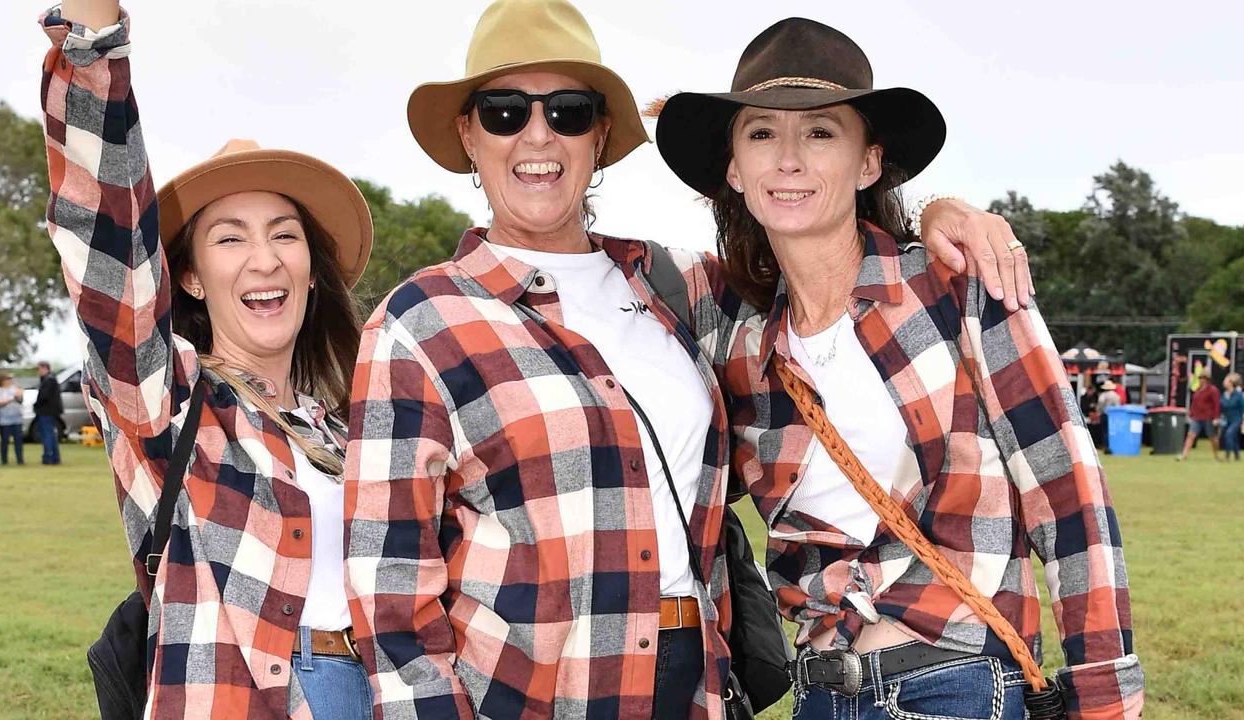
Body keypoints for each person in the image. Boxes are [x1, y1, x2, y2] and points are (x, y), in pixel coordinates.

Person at [344, 2, 1031, 717]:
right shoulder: (419, 322)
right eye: (506, 111)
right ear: (469, 134)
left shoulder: (686, 289)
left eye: (570, 111)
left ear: (601, 132)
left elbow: (816, 247)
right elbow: (389, 583)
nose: (538, 135)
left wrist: (937, 214)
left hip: (695, 682)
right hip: (529, 692)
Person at [655, 17, 1143, 720]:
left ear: (868, 163)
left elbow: (1070, 502)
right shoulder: (736, 339)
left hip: (957, 688)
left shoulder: (958, 288)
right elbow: (592, 268)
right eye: (761, 132)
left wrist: (1105, 694)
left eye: (821, 132)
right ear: (734, 168)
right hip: (818, 692)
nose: (788, 158)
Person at [40, 1, 375, 717]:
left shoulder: (346, 429)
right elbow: (109, 244)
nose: (264, 259)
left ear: (312, 270)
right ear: (187, 275)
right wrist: (95, 49)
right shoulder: (169, 396)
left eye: (285, 235)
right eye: (229, 238)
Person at [1180, 367, 1221, 461]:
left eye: (1202, 378)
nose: (1201, 380)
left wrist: (1216, 417)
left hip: (1208, 417)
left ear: (1207, 379)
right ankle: (1184, 455)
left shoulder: (1213, 390)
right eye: (1200, 378)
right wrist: (1191, 414)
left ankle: (1216, 455)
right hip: (1197, 417)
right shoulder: (1198, 390)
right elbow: (1194, 403)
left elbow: (1217, 404)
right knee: (1191, 435)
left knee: (1212, 437)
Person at [0, 373, 26, 466]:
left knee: (18, 441)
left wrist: (18, 395)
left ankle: (20, 460)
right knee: (4, 441)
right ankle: (4, 460)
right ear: (2, 380)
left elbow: (20, 397)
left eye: (10, 379)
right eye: (7, 379)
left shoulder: (14, 388)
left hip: (17, 418)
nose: (9, 381)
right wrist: (11, 398)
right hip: (4, 420)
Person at [33, 361, 63, 465]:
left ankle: (48, 457)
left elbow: (43, 396)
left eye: (39, 369)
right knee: (52, 435)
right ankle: (55, 457)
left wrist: (36, 405)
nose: (38, 371)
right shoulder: (51, 379)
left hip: (46, 411)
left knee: (47, 435)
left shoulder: (48, 380)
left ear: (45, 368)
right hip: (51, 411)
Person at [1219, 372, 1242, 461]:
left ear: (1231, 383)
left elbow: (1242, 407)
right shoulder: (1224, 395)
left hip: (1236, 419)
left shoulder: (1238, 395)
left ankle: (1227, 455)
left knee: (1229, 434)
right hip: (1227, 419)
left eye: (1226, 380)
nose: (1224, 382)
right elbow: (1221, 407)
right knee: (1234, 437)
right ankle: (1237, 455)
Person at [1097, 380, 1123, 454]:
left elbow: (1100, 404)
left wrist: (1099, 411)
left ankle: (1106, 447)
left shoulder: (1103, 395)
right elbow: (1118, 406)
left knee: (1105, 431)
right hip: (1114, 416)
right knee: (1113, 431)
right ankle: (1113, 446)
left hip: (1105, 414)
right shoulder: (1116, 395)